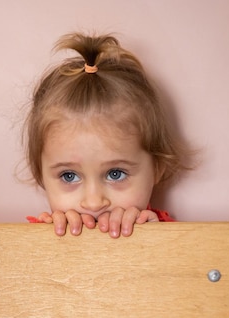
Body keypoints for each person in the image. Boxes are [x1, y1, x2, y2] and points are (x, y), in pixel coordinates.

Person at [24, 32, 188, 238]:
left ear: (157, 168)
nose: (93, 203)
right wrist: (44, 243)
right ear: (41, 175)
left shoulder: (171, 236)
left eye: (115, 174)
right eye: (69, 176)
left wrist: (158, 241)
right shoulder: (36, 239)